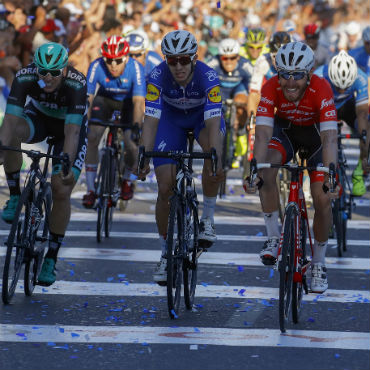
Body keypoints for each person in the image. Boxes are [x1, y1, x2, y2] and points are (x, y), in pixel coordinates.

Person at [244, 42, 340, 294]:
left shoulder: (321, 88)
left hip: (317, 138)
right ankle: (275, 236)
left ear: (309, 74)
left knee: (321, 198)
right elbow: (263, 134)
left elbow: (330, 139)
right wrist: (255, 166)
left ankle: (318, 262)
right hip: (285, 132)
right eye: (284, 74)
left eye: (297, 75)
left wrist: (331, 173)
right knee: (266, 170)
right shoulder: (270, 87)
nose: (290, 82)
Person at [137, 30, 224, 284]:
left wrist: (215, 155)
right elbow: (151, 120)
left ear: (194, 58)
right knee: (164, 187)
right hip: (170, 121)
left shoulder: (209, 77)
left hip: (201, 119)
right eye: (172, 60)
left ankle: (207, 219)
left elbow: (213, 121)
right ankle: (165, 253)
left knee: (212, 156)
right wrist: (143, 154)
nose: (178, 66)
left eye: (184, 60)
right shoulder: (156, 76)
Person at [0, 42, 88, 286]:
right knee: (11, 135)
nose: (48, 78)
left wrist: (66, 164)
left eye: (54, 73)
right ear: (35, 68)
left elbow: (72, 133)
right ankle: (16, 195)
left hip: (67, 129)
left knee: (61, 189)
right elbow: (10, 120)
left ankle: (51, 256)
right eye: (43, 72)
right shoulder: (25, 76)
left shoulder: (76, 84)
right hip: (38, 119)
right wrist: (2, 146)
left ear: (64, 69)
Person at [82, 35, 146, 208]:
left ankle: (127, 180)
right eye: (109, 60)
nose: (113, 65)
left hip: (128, 103)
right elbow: (88, 97)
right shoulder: (96, 66)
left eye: (118, 61)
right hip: (105, 100)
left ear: (126, 58)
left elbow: (139, 102)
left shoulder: (136, 68)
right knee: (92, 137)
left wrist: (136, 126)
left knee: (132, 144)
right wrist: (84, 123)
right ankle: (90, 190)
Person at [314, 50, 369, 196]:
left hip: (347, 107)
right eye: (337, 87)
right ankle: (310, 175)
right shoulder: (319, 76)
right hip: (324, 107)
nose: (342, 90)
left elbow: (362, 113)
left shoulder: (360, 78)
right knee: (310, 135)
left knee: (367, 132)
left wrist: (364, 140)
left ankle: (359, 173)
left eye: (346, 87)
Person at [207, 38, 251, 168]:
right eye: (225, 58)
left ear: (238, 57)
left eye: (232, 58)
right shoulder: (212, 63)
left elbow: (254, 88)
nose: (229, 62)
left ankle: (241, 131)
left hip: (238, 88)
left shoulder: (246, 65)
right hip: (220, 89)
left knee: (241, 102)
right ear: (220, 57)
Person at [248, 31, 291, 118]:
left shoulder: (297, 63)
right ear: (270, 53)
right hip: (271, 97)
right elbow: (254, 92)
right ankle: (252, 126)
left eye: (283, 56)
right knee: (253, 95)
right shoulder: (263, 61)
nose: (279, 61)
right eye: (275, 56)